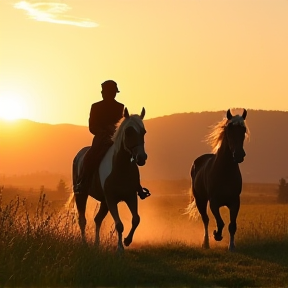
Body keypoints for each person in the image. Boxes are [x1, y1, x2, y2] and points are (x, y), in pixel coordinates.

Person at [74, 80, 124, 194]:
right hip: (101, 139)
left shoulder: (120, 107)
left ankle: (136, 186)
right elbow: (92, 126)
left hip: (115, 139)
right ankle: (82, 182)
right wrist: (103, 131)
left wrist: (115, 131)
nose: (106, 94)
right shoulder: (96, 107)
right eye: (106, 92)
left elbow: (121, 124)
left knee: (130, 156)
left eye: (110, 92)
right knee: (89, 157)